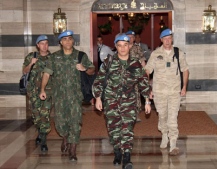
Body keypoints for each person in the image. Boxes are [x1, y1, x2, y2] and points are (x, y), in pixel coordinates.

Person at [93, 34, 151, 169]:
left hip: (129, 103)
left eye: (125, 45)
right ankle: (117, 152)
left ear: (129, 46)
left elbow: (143, 82)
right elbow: (99, 81)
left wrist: (147, 101)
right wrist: (97, 98)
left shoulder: (135, 64)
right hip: (111, 102)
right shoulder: (108, 62)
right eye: (119, 45)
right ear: (116, 47)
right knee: (114, 130)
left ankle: (127, 157)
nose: (123, 48)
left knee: (127, 129)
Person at [39, 30, 95, 161]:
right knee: (60, 123)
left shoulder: (81, 56)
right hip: (59, 96)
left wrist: (84, 68)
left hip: (76, 96)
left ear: (73, 41)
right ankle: (65, 137)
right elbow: (46, 73)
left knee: (75, 122)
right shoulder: (54, 57)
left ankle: (73, 150)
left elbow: (92, 70)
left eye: (70, 39)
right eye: (65, 39)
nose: (68, 41)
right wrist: (42, 89)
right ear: (60, 42)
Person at [145, 28, 189, 156]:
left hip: (175, 91)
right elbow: (147, 70)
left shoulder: (178, 53)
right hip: (159, 92)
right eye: (165, 38)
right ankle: (164, 134)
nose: (168, 41)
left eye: (169, 38)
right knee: (162, 116)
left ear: (172, 39)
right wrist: (148, 88)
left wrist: (184, 86)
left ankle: (173, 143)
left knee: (173, 117)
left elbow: (185, 70)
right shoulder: (155, 54)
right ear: (161, 40)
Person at [23, 35, 52, 152]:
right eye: (42, 43)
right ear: (37, 45)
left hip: (48, 91)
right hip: (33, 92)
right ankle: (40, 133)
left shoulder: (52, 58)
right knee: (36, 116)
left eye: (46, 43)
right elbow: (24, 71)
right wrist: (31, 64)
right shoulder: (31, 56)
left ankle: (44, 141)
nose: (44, 46)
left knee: (45, 115)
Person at [126, 31, 146, 122]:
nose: (130, 39)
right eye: (128, 37)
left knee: (136, 94)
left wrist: (144, 74)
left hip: (135, 75)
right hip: (124, 76)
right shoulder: (122, 47)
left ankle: (136, 114)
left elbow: (142, 62)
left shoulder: (138, 48)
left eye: (132, 37)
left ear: (134, 38)